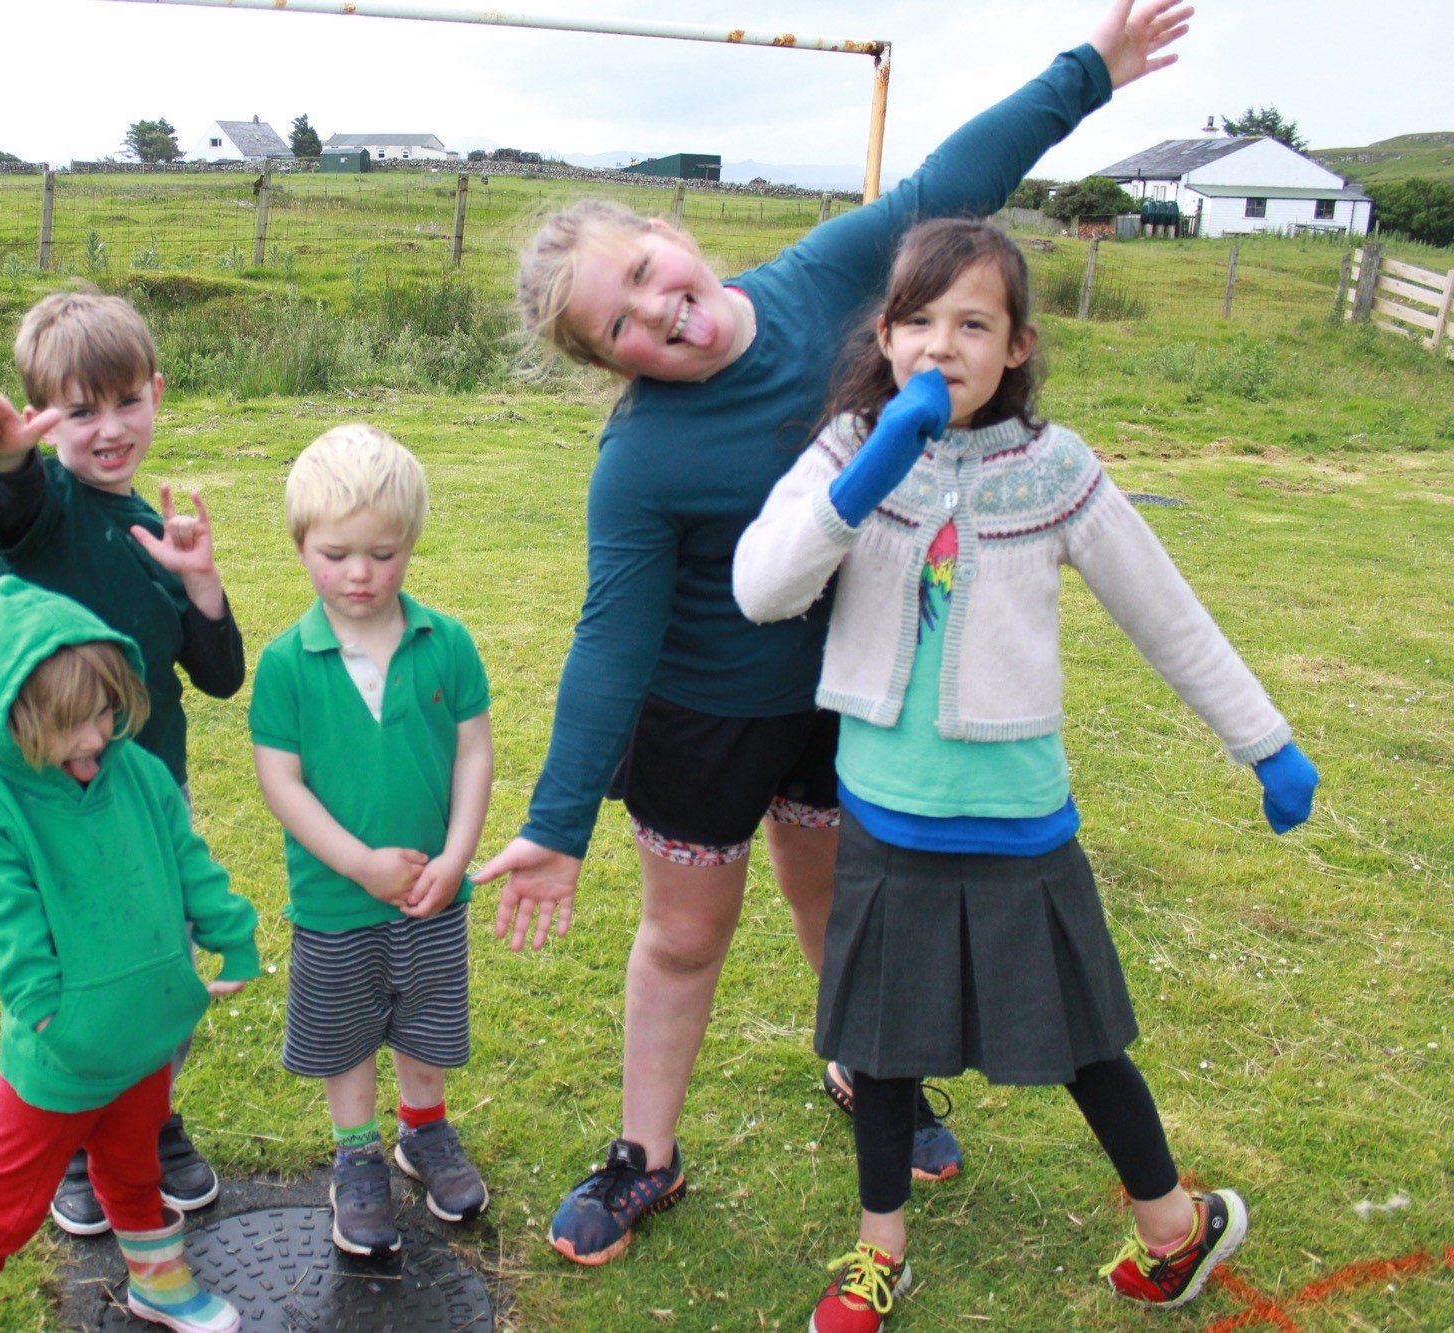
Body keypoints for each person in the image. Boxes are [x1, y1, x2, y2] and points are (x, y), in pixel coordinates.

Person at [477, 0, 1198, 1268]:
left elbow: (949, 185)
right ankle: (645, 1153)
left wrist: (1088, 71)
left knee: (842, 913)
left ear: (672, 235)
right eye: (619, 326)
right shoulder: (638, 460)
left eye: (643, 274)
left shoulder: (823, 280)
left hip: (849, 696)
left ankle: (868, 1074)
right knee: (684, 937)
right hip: (704, 716)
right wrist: (553, 821)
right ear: (609, 362)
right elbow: (609, 641)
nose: (657, 314)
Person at [730, 216, 1317, 1330]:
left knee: (1083, 1040)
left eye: (973, 324)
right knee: (878, 1046)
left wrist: (1264, 741)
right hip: (883, 815)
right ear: (884, 336)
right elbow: (762, 587)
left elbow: (1165, 614)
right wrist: (865, 479)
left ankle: (1174, 1228)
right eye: (918, 321)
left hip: (1014, 819)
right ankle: (880, 1251)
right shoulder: (846, 449)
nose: (941, 346)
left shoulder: (1055, 470)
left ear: (1016, 346)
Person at [0, 289, 245, 1231]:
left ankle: (148, 1119)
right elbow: (16, 500)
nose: (109, 429)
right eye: (80, 410)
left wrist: (200, 581)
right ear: (43, 417)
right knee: (67, 970)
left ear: (157, 393)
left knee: (157, 964)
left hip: (147, 797)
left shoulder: (153, 528)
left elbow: (219, 676)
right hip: (49, 806)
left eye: (126, 402)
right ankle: (73, 1135)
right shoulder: (46, 510)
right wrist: (4, 457)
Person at [0, 576, 258, 1333]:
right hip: (60, 1058)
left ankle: (160, 1284)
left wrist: (231, 931)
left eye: (104, 712)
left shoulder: (137, 772)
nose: (95, 738)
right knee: (9, 1201)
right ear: (15, 720)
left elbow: (188, 859)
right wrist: (50, 1015)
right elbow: (7, 923)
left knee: (135, 1170)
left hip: (142, 1036)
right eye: (69, 725)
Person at [249, 424, 494, 1257]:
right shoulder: (286, 663)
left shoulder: (447, 642)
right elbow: (281, 783)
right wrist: (360, 864)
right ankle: (356, 1157)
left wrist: (456, 857)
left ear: (410, 544)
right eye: (336, 553)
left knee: (427, 1022)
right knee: (344, 1032)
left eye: (383, 554)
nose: (360, 573)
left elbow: (473, 751)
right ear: (300, 546)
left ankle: (424, 1131)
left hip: (432, 893)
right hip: (334, 901)